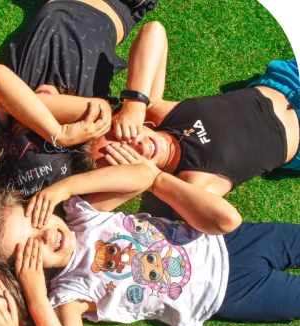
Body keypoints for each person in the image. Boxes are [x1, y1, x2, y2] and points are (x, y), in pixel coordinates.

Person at [0, 158, 300, 326]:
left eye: (35, 219)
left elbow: (145, 175)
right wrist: (35, 296)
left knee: (229, 219)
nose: (44, 235)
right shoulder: (70, 292)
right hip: (223, 294)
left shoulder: (84, 215)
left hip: (224, 240)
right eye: (30, 248)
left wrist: (64, 188)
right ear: (26, 266)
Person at [85, 22, 300, 197]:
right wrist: (149, 178)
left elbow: (154, 31)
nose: (137, 145)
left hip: (288, 80)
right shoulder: (195, 181)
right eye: (123, 157)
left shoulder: (158, 113)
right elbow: (221, 219)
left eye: (122, 134)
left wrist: (135, 104)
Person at [0, 0, 159, 198]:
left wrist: (58, 134)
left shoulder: (9, 110)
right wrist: (135, 105)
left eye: (31, 126)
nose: (38, 120)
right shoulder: (94, 118)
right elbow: (153, 31)